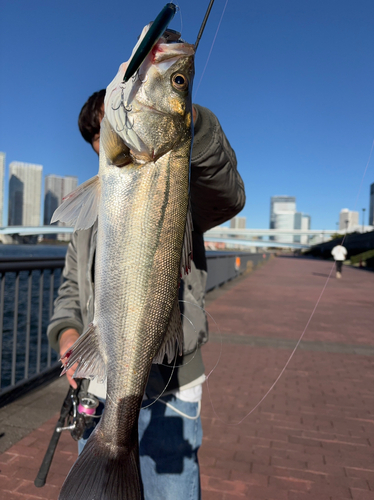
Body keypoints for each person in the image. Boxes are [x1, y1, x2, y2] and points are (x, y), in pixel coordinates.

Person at [47, 89, 245, 499]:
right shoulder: (89, 216)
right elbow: (71, 289)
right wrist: (68, 334)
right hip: (99, 389)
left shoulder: (179, 185)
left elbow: (229, 194)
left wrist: (189, 120)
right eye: (98, 132)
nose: (106, 133)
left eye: (113, 118)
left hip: (172, 388)